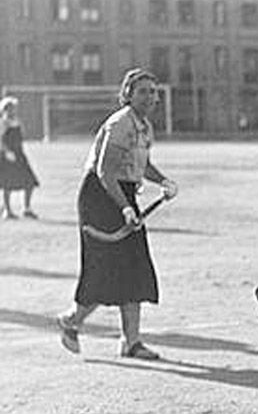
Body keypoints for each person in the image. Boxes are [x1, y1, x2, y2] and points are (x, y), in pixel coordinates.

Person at [56, 68, 179, 360]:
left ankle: (131, 342)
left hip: (121, 195)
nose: (150, 97)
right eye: (142, 91)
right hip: (100, 197)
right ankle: (71, 321)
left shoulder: (144, 126)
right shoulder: (120, 123)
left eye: (153, 91)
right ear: (128, 95)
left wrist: (163, 181)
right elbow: (104, 171)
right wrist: (125, 208)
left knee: (135, 266)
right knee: (105, 267)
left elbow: (142, 166)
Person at [0, 97, 40, 219]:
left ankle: (26, 209)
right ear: (6, 109)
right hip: (8, 157)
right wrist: (7, 152)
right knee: (8, 184)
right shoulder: (3, 122)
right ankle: (7, 210)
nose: (14, 110)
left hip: (19, 155)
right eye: (11, 108)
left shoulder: (17, 121)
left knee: (29, 182)